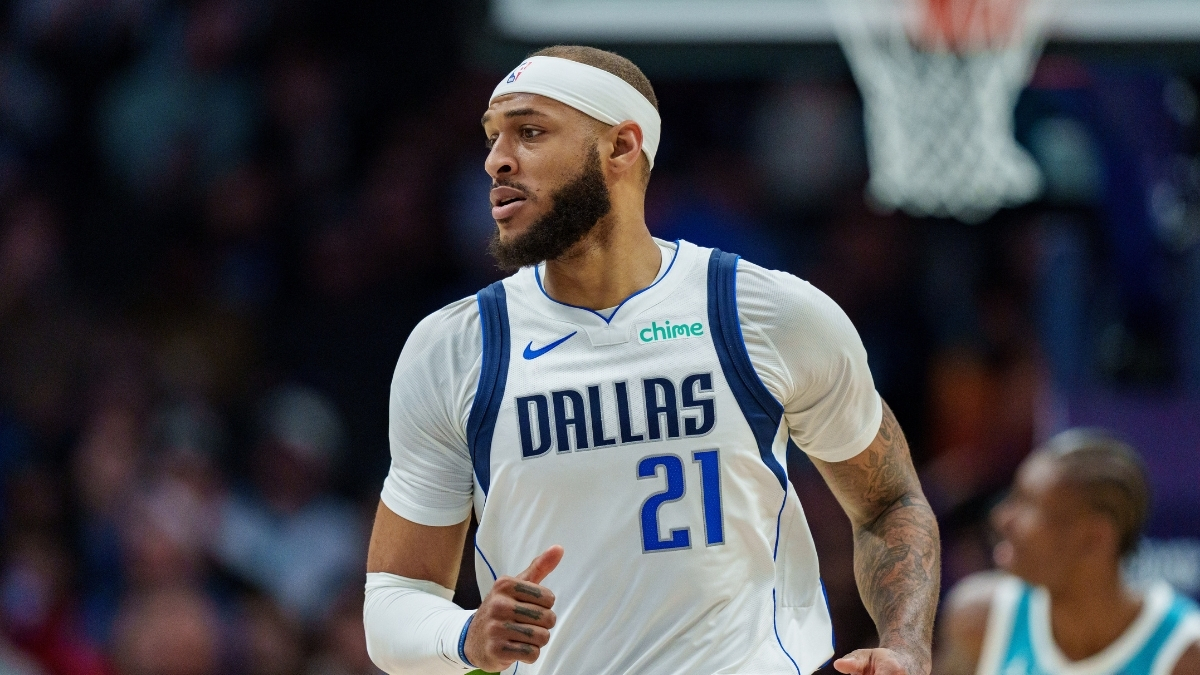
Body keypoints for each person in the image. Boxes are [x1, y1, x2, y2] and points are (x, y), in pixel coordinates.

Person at [362, 45, 940, 675]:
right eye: (492, 136)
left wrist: (906, 646)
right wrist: (465, 632)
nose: (497, 159)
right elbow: (393, 600)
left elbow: (890, 501)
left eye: (529, 132)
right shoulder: (455, 348)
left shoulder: (765, 314)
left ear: (621, 146)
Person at [936, 429, 1200, 675]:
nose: (1002, 519)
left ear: (1095, 537)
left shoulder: (1186, 653)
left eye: (1029, 504)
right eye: (1012, 497)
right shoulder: (977, 620)